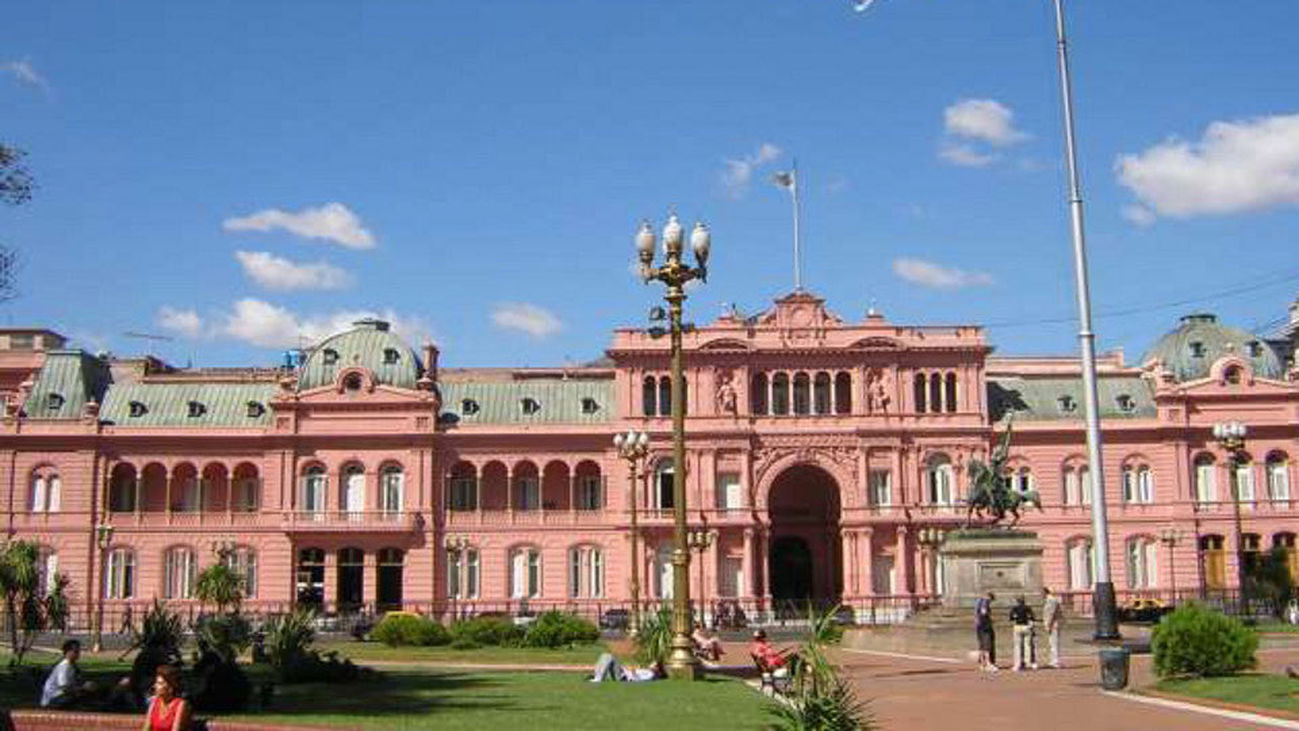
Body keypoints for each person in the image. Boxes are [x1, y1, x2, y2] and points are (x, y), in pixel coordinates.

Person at [41, 639, 95, 709]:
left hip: (61, 697)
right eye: (75, 651)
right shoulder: (64, 666)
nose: (78, 654)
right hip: (53, 699)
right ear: (68, 652)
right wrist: (83, 688)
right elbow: (64, 688)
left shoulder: (72, 666)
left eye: (78, 651)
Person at [143, 664, 192, 731]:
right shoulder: (154, 702)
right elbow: (146, 728)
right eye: (156, 683)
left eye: (160, 683)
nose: (155, 686)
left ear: (170, 687)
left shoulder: (180, 705)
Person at [1009, 595, 1037, 671]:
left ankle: (1017, 664)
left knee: (1017, 646)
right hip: (1026, 626)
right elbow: (1033, 617)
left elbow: (1011, 617)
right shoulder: (1028, 608)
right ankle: (1028, 663)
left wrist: (1016, 617)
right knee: (1027, 645)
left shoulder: (1015, 608)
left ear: (1017, 601)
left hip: (1018, 626)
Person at [974, 592, 997, 672]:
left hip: (979, 626)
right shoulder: (985, 602)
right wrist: (989, 620)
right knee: (987, 645)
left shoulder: (978, 602)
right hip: (985, 626)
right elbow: (983, 613)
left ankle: (982, 663)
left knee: (982, 645)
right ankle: (988, 663)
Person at [1041, 586, 1063, 669]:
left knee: (1054, 643)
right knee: (1051, 643)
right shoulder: (1049, 600)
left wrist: (1048, 624)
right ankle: (1052, 660)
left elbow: (1051, 613)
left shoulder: (1051, 600)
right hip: (1052, 624)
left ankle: (1055, 662)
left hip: (1053, 625)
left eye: (1042, 593)